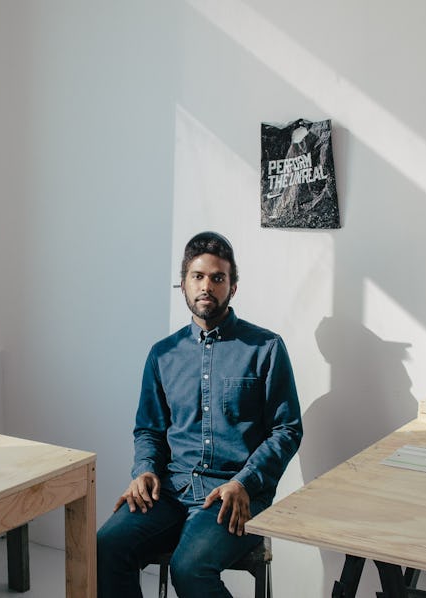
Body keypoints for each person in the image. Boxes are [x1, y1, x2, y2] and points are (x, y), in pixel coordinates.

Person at [97, 231, 303, 598]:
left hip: (235, 493)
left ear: (233, 287)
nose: (206, 286)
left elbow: (286, 429)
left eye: (217, 277)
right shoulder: (163, 354)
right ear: (183, 285)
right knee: (107, 545)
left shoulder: (265, 348)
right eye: (198, 276)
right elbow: (149, 429)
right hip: (172, 488)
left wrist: (245, 481)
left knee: (190, 569)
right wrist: (143, 469)